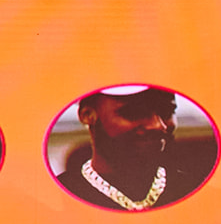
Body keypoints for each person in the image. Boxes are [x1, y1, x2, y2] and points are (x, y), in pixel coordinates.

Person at [55, 86, 202, 211]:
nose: (158, 125)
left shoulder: (196, 192)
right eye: (135, 112)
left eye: (166, 112)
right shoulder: (58, 198)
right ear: (88, 115)